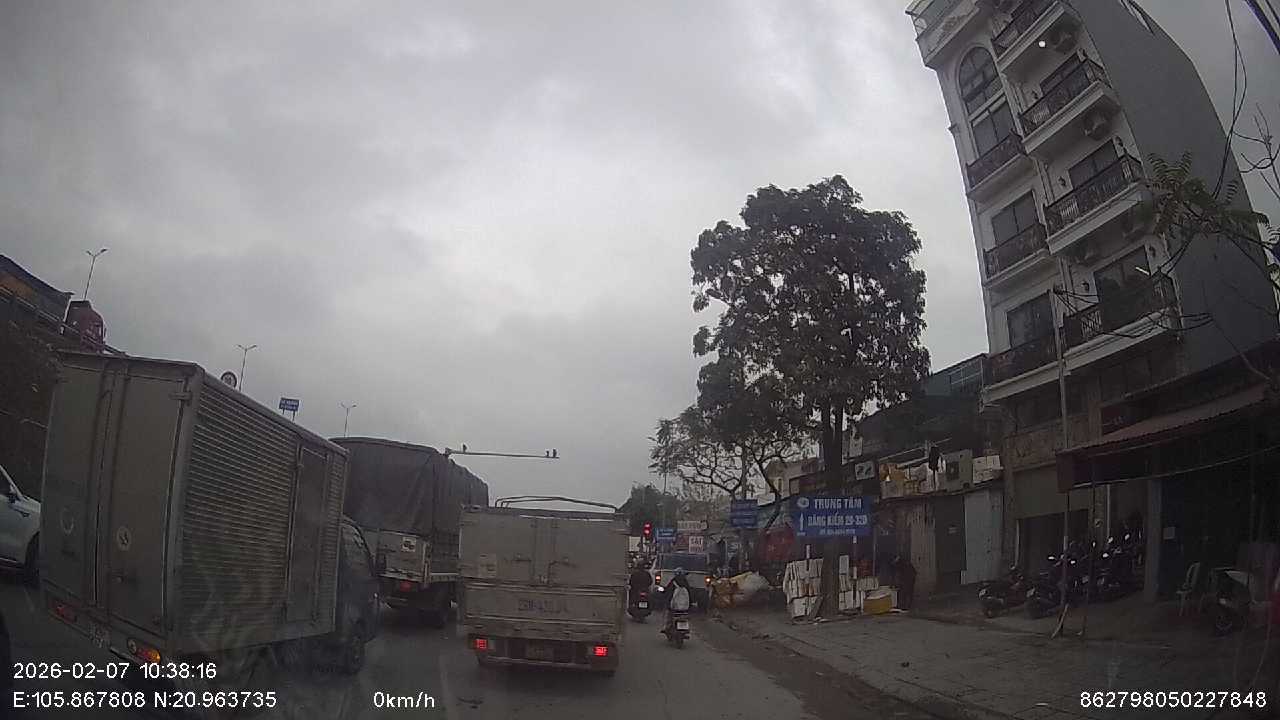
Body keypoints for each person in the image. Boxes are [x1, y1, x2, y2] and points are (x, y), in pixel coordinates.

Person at [661, 567, 692, 634]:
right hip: (685, 607)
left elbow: (668, 592)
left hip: (674, 606)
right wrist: (690, 604)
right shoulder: (685, 583)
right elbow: (690, 593)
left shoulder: (673, 582)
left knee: (668, 614)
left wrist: (667, 600)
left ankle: (666, 627)